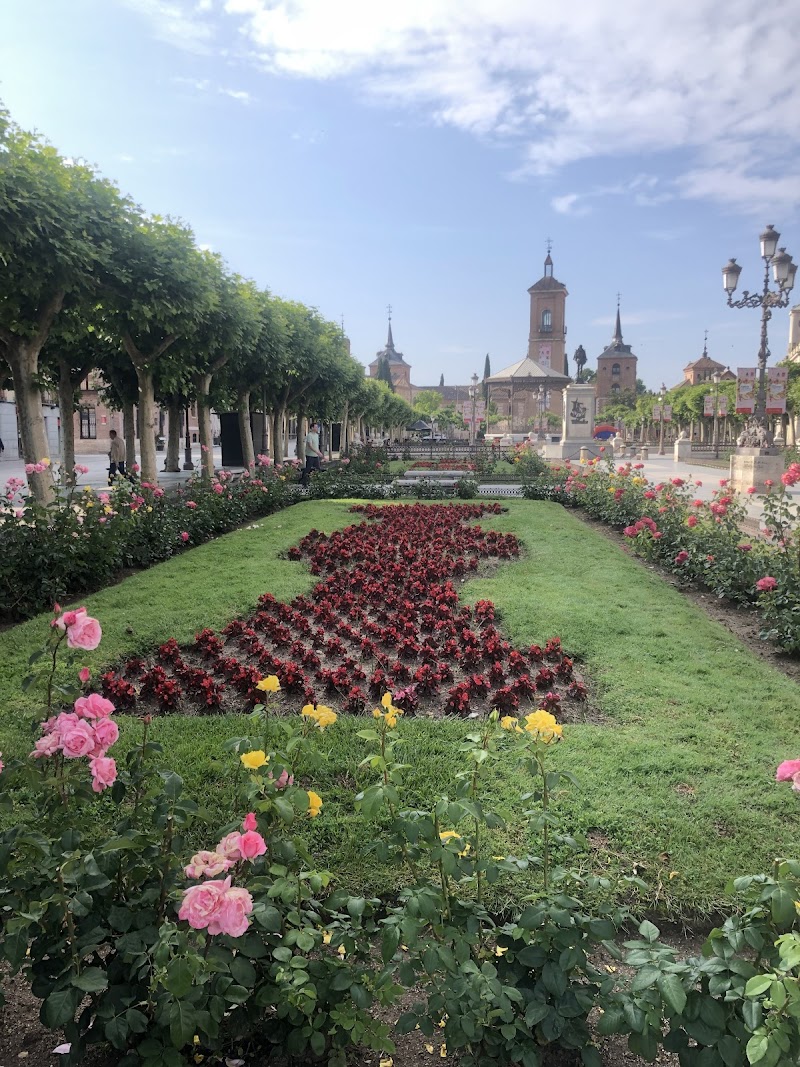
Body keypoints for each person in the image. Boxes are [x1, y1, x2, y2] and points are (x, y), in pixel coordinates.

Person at [302, 421, 322, 486]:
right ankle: (304, 482)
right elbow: (310, 446)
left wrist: (319, 452)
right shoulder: (309, 435)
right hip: (310, 455)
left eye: (317, 427)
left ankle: (318, 482)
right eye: (315, 427)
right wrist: (316, 452)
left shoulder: (316, 435)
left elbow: (316, 445)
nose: (317, 428)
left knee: (318, 468)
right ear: (312, 428)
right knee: (308, 468)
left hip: (316, 455)